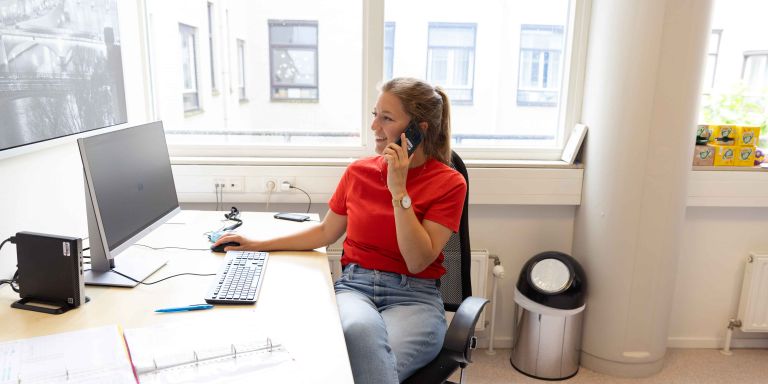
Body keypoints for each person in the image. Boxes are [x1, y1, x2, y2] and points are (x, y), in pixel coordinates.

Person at [213, 77, 467, 383]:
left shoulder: (450, 183)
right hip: (356, 289)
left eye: (386, 118)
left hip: (413, 297)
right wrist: (257, 244)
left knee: (362, 370)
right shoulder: (358, 172)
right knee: (358, 337)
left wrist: (398, 190)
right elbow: (324, 233)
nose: (374, 127)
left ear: (419, 129)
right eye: (375, 114)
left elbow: (417, 260)